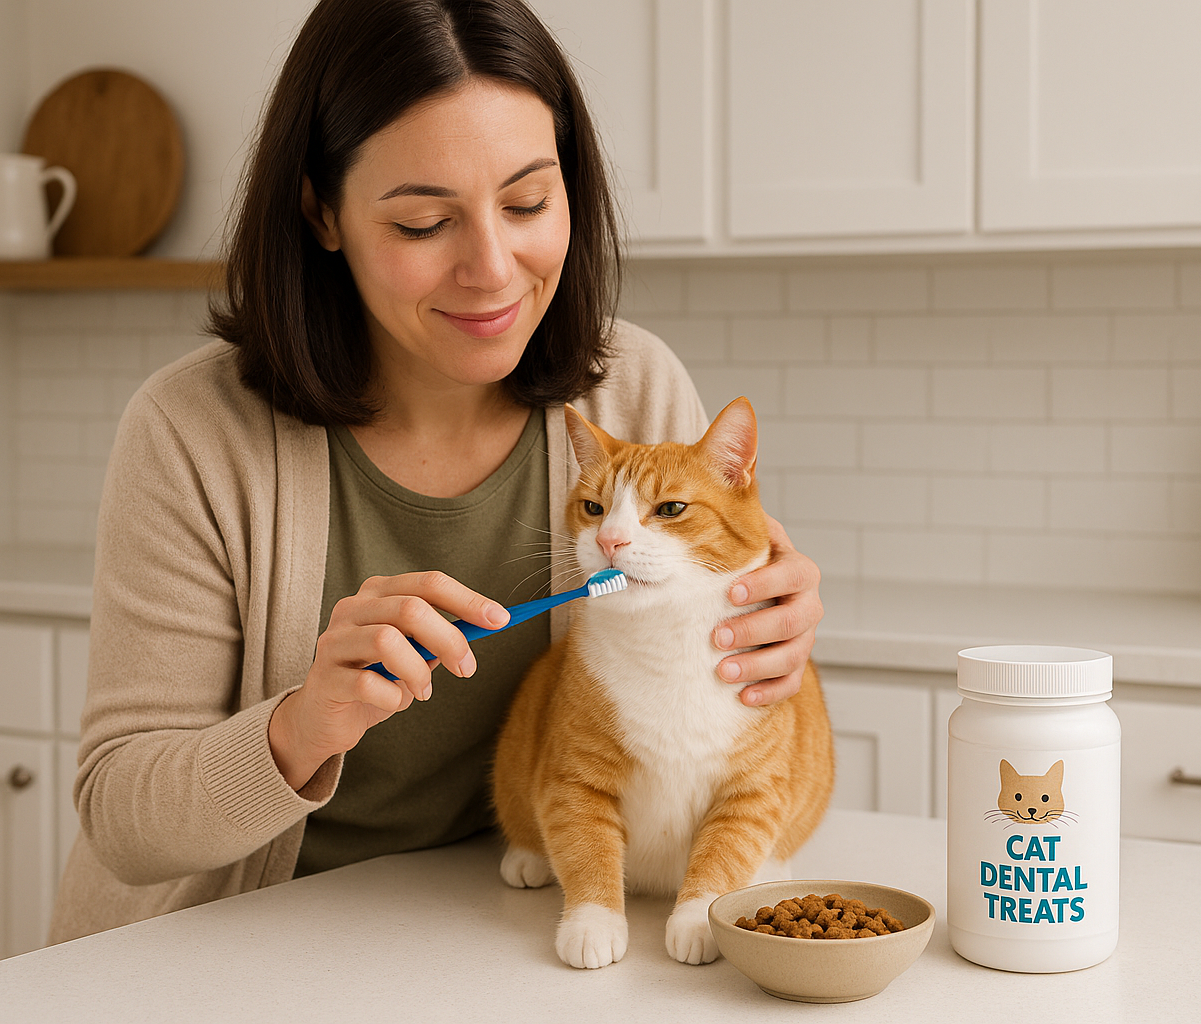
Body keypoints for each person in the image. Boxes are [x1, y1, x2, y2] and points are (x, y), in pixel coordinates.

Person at [48, 0, 823, 944]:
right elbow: (122, 820)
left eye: (529, 203)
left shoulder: (634, 396)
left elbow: (722, 695)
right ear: (321, 212)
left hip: (481, 927)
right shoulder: (193, 434)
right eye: (423, 223)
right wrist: (299, 726)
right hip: (221, 941)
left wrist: (768, 623)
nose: (492, 268)